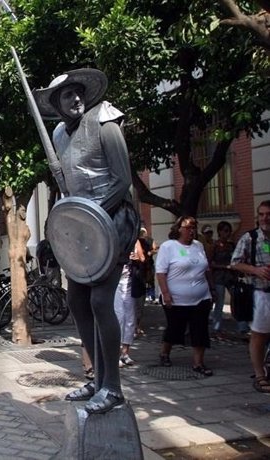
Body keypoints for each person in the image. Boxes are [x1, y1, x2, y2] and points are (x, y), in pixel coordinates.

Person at [35, 68, 138, 413]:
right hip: (83, 227)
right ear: (57, 104)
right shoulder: (59, 135)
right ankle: (96, 378)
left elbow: (122, 180)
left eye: (79, 92)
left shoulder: (105, 120)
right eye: (68, 95)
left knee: (99, 301)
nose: (76, 98)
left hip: (114, 219)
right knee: (77, 301)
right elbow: (65, 189)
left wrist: (89, 216)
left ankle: (113, 388)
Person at [156, 216, 215, 376]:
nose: (191, 230)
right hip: (176, 299)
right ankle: (164, 353)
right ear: (179, 228)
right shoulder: (169, 247)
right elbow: (161, 273)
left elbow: (206, 269)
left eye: (194, 227)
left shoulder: (198, 246)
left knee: (200, 328)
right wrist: (166, 293)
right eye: (188, 227)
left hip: (201, 297)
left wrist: (212, 288)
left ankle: (198, 363)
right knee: (175, 328)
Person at [231, 200, 270, 393]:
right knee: (259, 335)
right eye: (261, 214)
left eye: (268, 214)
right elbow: (235, 263)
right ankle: (260, 374)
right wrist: (255, 270)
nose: (265, 218)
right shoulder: (251, 238)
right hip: (261, 293)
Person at [114, 240, 145, 367]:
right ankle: (115, 354)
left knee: (130, 318)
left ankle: (125, 353)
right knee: (119, 317)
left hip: (130, 283)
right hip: (115, 283)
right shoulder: (112, 237)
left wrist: (136, 257)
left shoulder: (134, 241)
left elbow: (142, 258)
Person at [209, 221, 239, 335]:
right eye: (225, 231)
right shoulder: (215, 246)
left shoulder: (232, 245)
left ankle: (241, 325)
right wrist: (222, 266)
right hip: (219, 277)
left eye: (229, 231)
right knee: (220, 302)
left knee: (236, 300)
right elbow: (210, 263)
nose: (227, 233)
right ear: (220, 232)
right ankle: (216, 326)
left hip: (231, 277)